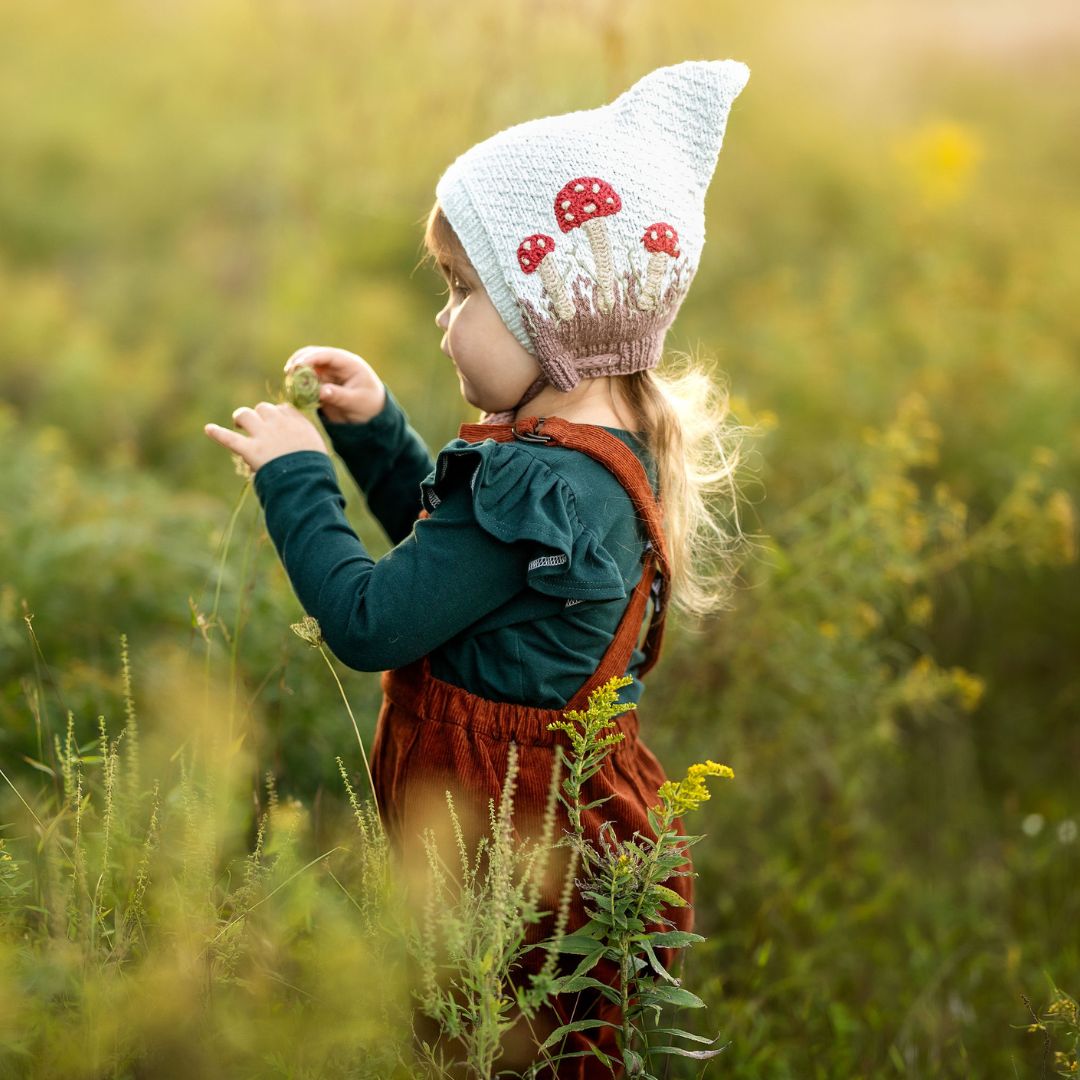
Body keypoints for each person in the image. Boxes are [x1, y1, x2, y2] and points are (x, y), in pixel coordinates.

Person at [204, 58, 751, 1077]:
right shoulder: (596, 453)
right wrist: (377, 433)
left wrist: (298, 477)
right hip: (544, 840)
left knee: (493, 1047)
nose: (443, 318)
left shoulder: (541, 480)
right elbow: (461, 568)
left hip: (512, 863)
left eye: (464, 291)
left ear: (555, 314)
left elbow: (372, 619)